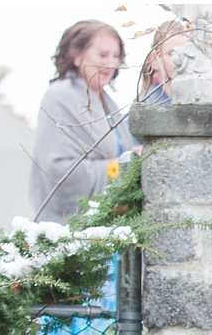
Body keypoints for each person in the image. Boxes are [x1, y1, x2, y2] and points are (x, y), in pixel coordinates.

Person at [29, 19, 137, 226]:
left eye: (116, 56)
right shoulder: (59, 97)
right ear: (76, 56)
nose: (111, 63)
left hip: (111, 226)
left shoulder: (109, 103)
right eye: (103, 55)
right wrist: (118, 168)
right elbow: (57, 170)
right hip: (69, 227)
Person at [138, 20, 189, 105]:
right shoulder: (145, 106)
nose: (180, 60)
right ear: (153, 59)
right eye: (172, 53)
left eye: (186, 54)